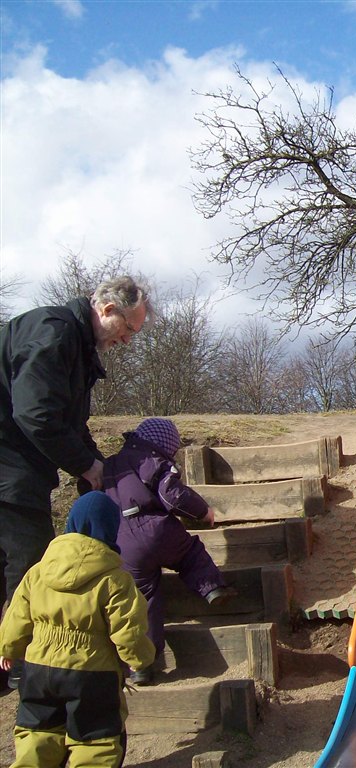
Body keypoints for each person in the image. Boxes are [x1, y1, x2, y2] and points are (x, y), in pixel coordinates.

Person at [0, 276, 149, 689]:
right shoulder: (54, 333)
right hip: (8, 469)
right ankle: (30, 671)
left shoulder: (74, 345)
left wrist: (98, 465)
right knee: (31, 562)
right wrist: (84, 465)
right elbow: (36, 415)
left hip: (16, 467)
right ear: (107, 310)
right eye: (128, 329)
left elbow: (69, 422)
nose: (127, 340)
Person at [0, 491, 155, 768]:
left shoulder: (38, 571)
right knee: (94, 739)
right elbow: (128, 628)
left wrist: (8, 648)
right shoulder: (115, 579)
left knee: (38, 731)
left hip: (38, 668)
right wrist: (138, 658)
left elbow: (17, 614)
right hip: (92, 671)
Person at [103, 417, 233, 685]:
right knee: (190, 554)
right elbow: (172, 495)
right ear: (164, 445)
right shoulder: (152, 461)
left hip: (123, 541)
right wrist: (203, 512)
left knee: (143, 600)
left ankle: (142, 664)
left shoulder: (111, 464)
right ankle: (212, 588)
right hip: (157, 529)